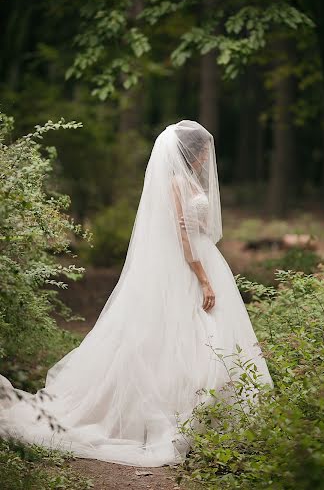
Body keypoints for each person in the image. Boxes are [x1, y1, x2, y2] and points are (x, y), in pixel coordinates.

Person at [0, 120, 273, 467]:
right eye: (203, 151)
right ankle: (180, 413)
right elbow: (183, 236)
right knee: (183, 334)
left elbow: (197, 227)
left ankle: (214, 415)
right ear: (192, 153)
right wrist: (203, 278)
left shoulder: (187, 182)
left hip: (203, 259)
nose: (208, 157)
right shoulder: (176, 183)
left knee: (206, 334)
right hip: (188, 265)